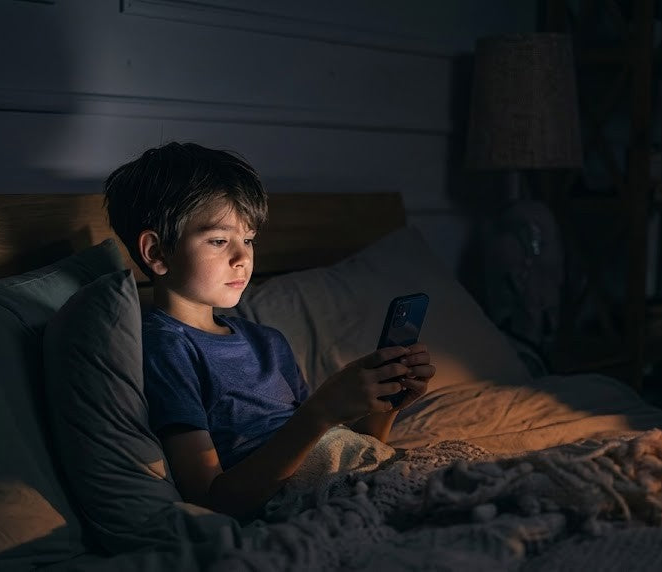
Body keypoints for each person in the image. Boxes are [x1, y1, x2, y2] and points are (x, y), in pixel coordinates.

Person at [104, 142, 436, 519]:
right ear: (156, 253)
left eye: (248, 240)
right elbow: (213, 501)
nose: (243, 257)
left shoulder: (267, 342)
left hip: (355, 479)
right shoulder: (166, 348)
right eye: (218, 240)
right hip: (298, 505)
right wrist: (322, 410)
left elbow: (334, 449)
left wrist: (389, 402)